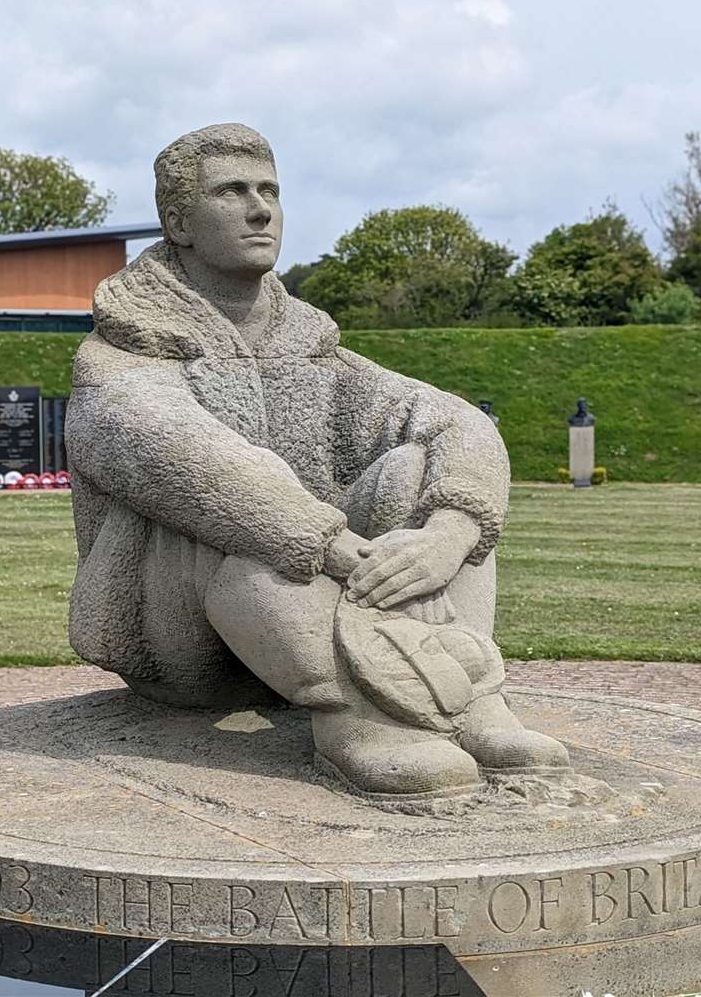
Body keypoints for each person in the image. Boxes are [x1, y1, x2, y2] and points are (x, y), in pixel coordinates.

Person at [65, 124, 567, 802]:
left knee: (422, 473)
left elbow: (458, 420)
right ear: (179, 221)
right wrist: (325, 543)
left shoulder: (311, 349)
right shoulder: (117, 358)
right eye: (232, 191)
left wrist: (448, 533)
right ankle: (360, 721)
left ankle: (470, 700)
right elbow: (182, 452)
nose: (260, 208)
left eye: (269, 190)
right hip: (186, 644)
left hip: (324, 598)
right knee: (228, 515)